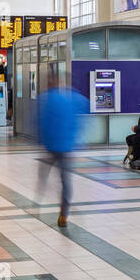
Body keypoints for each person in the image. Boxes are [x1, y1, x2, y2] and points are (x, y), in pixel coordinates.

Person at [38, 88, 85, 227]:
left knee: (45, 175)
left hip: (53, 147)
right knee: (65, 181)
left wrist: (42, 141)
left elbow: (42, 122)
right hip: (66, 148)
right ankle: (64, 213)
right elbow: (78, 125)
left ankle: (41, 201)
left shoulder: (49, 100)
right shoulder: (75, 101)